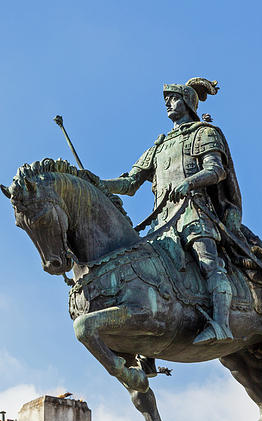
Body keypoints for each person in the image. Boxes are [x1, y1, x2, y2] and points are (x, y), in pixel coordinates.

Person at [96, 78, 243, 344]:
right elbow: (129, 184)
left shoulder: (204, 132)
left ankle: (221, 324)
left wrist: (190, 182)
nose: (167, 103)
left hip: (194, 213)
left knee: (209, 264)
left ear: (187, 101)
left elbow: (216, 170)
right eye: (166, 100)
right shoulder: (159, 146)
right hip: (161, 223)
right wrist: (93, 182)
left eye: (173, 98)